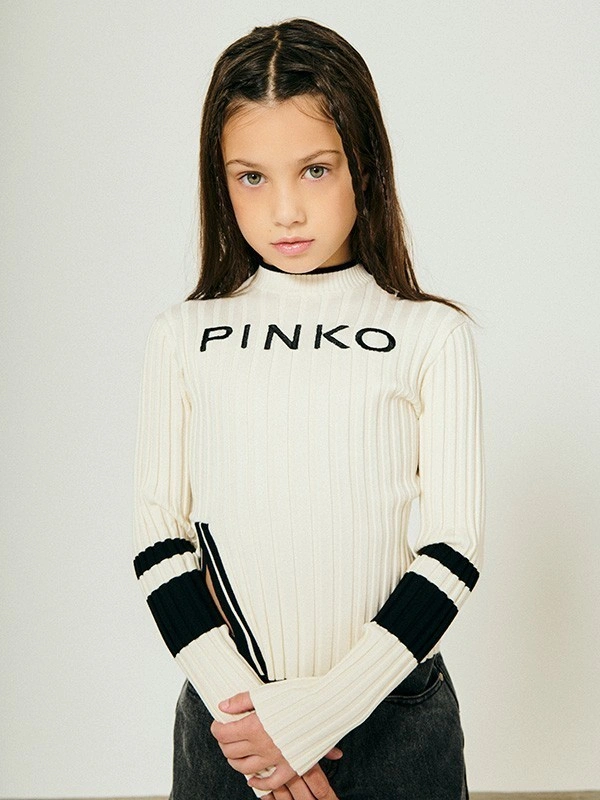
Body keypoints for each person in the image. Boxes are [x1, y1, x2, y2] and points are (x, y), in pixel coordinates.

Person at [133, 17, 485, 800]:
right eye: (251, 177)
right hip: (230, 724)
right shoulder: (183, 335)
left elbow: (453, 549)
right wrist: (255, 719)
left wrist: (313, 717)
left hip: (398, 721)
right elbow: (159, 537)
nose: (285, 211)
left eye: (316, 170)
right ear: (219, 180)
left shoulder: (431, 333)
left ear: (365, 164)